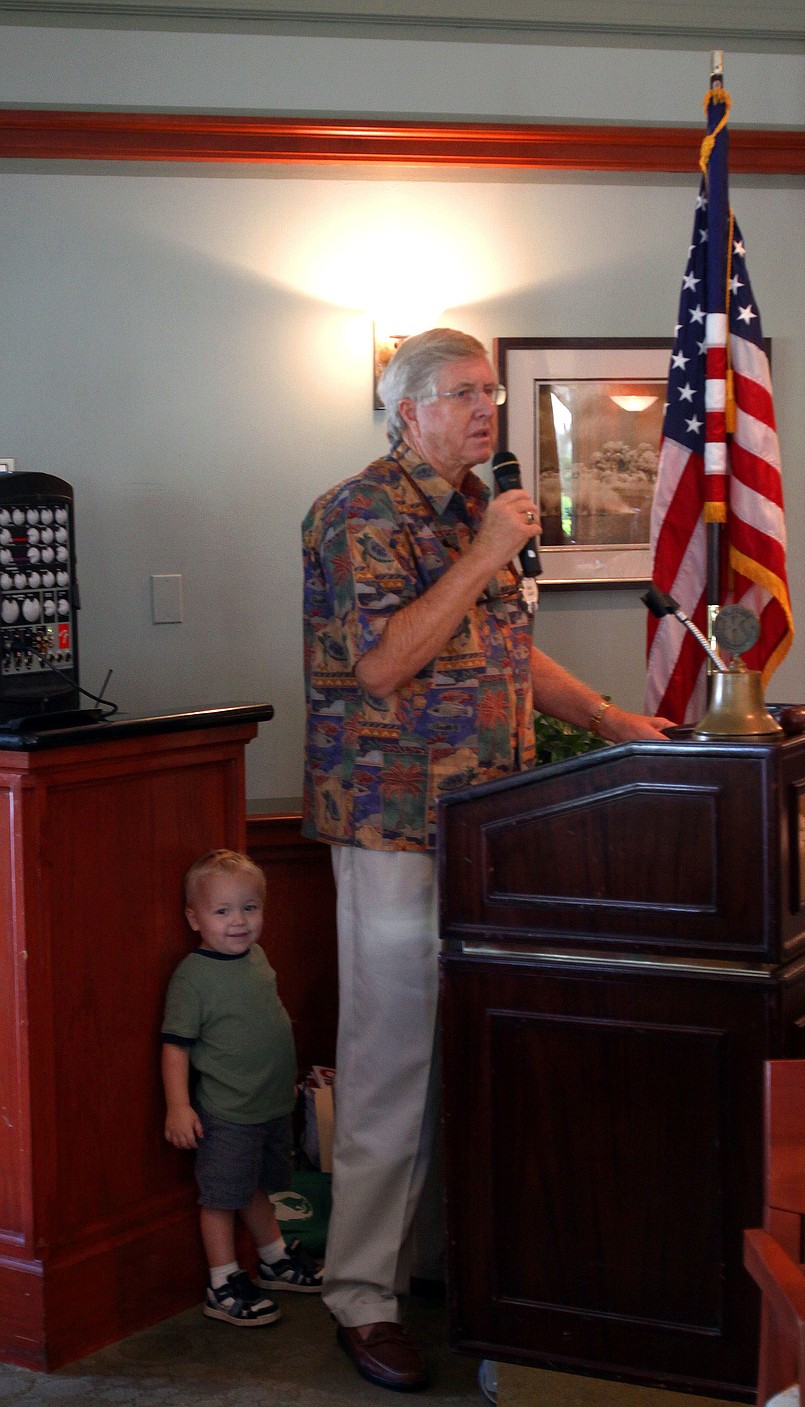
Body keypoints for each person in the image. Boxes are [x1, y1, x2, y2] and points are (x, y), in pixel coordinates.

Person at [301, 327, 673, 1390]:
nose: (486, 411)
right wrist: (477, 558)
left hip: (493, 822)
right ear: (405, 409)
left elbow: (503, 646)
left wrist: (606, 719)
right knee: (388, 1067)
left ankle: (431, 1268)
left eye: (493, 394)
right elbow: (381, 665)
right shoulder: (357, 512)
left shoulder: (480, 510)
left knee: (470, 1054)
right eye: (464, 393)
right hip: (393, 823)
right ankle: (361, 1299)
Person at [161, 848, 322, 1328]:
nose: (239, 922)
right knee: (221, 1196)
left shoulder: (257, 957)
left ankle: (272, 1258)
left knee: (256, 1186)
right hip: (227, 1111)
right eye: (222, 910)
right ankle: (223, 1281)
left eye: (249, 908)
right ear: (195, 919)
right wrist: (177, 1106)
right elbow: (175, 1048)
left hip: (270, 1103)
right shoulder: (193, 978)